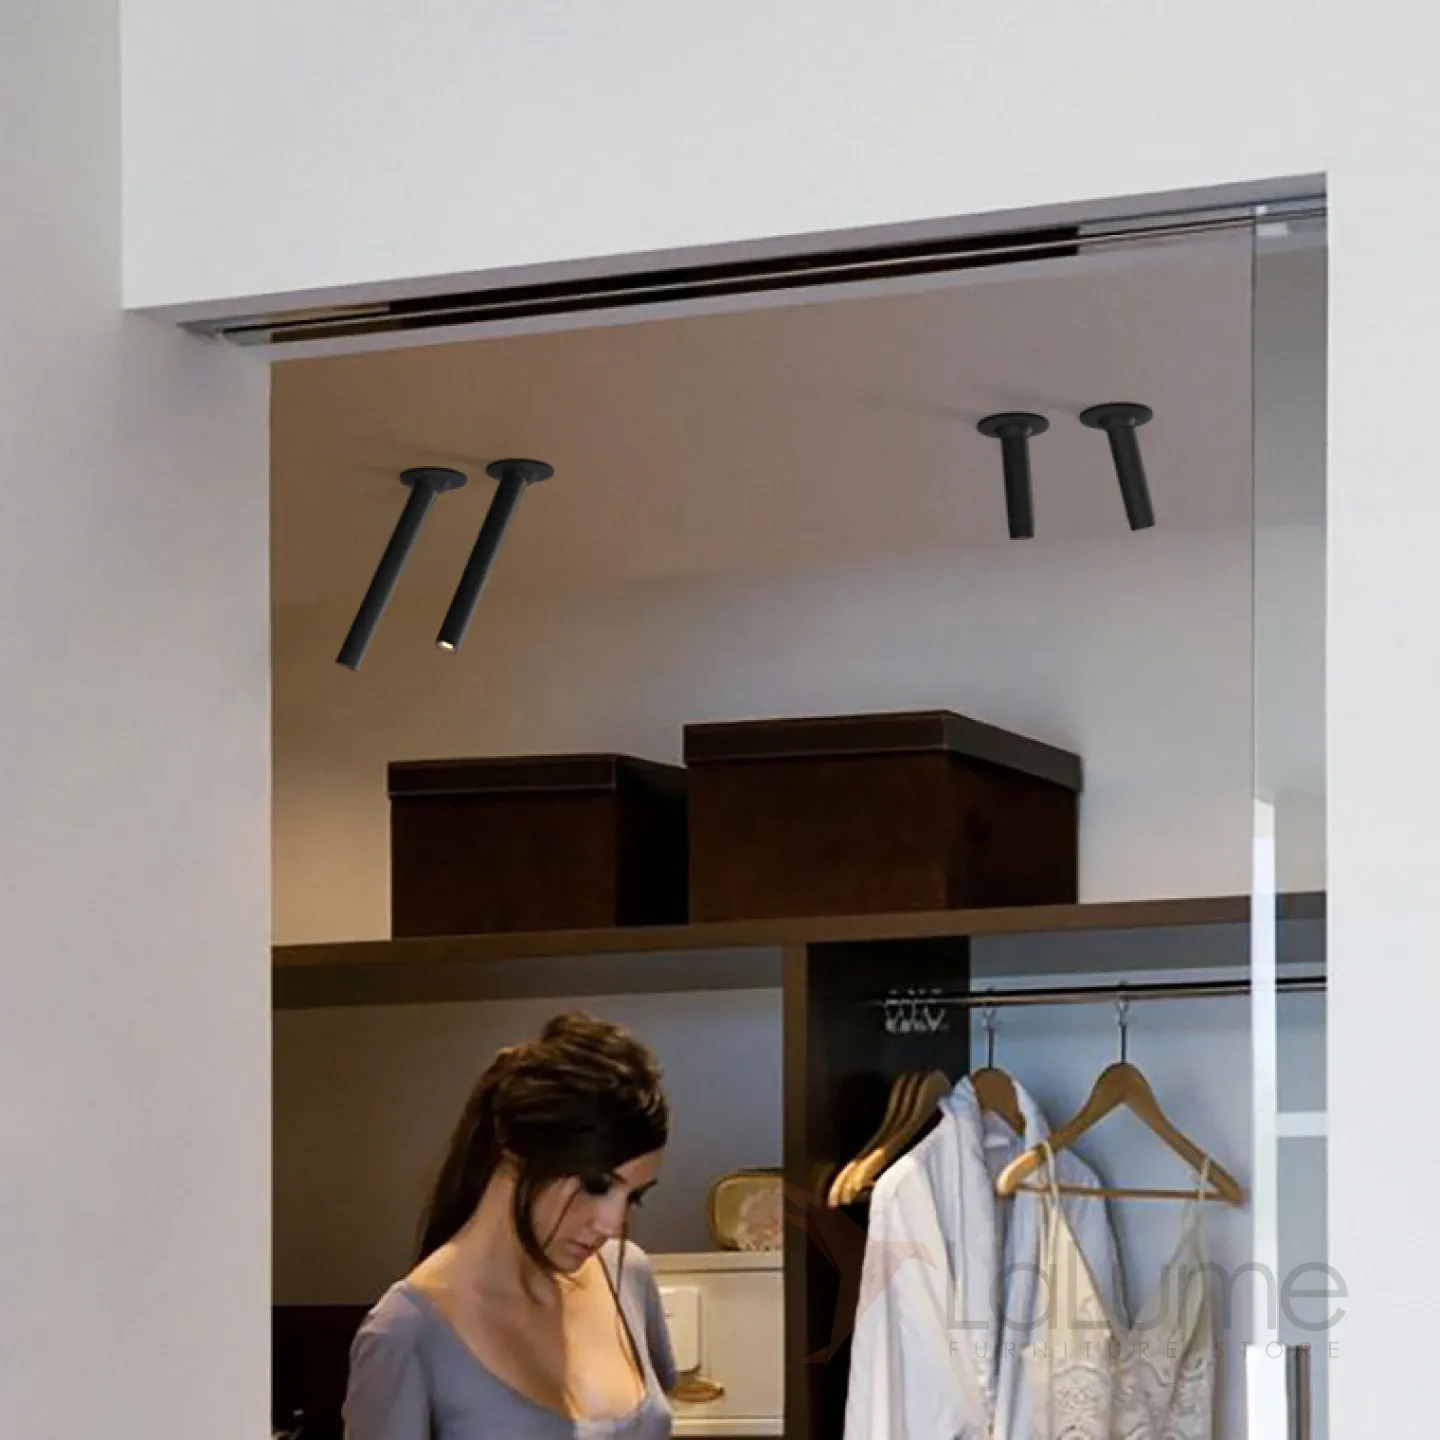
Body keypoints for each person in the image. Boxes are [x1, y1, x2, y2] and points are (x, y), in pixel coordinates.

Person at [343, 1013, 675, 1439]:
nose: (612, 1223)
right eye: (596, 1185)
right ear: (516, 1153)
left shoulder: (628, 1275)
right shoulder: (405, 1332)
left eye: (634, 1197)